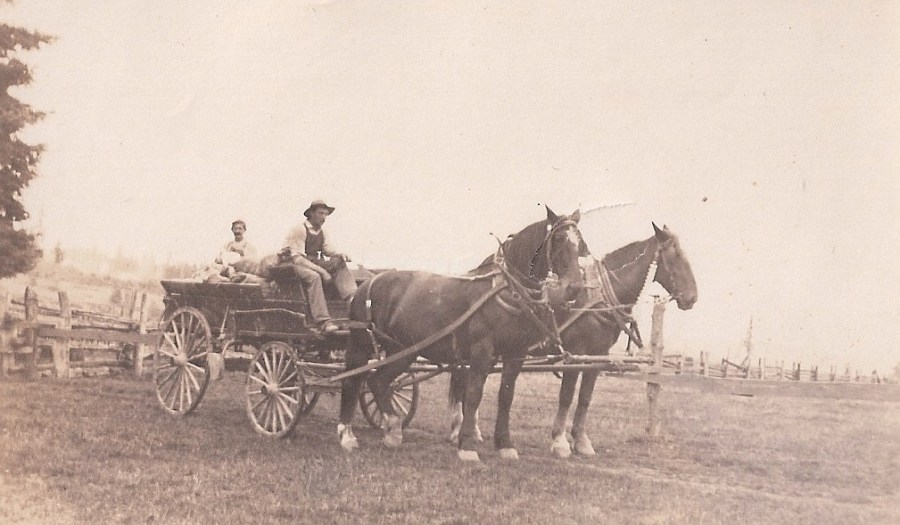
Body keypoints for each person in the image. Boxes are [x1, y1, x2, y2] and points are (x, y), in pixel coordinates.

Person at [283, 199, 357, 333]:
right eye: (320, 213)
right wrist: (323, 272)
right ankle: (323, 321)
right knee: (314, 276)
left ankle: (353, 299)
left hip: (309, 261)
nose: (324, 217)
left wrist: (341, 254)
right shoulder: (299, 229)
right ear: (311, 213)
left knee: (339, 262)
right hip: (290, 264)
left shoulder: (323, 232)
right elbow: (297, 258)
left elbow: (328, 250)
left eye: (325, 214)